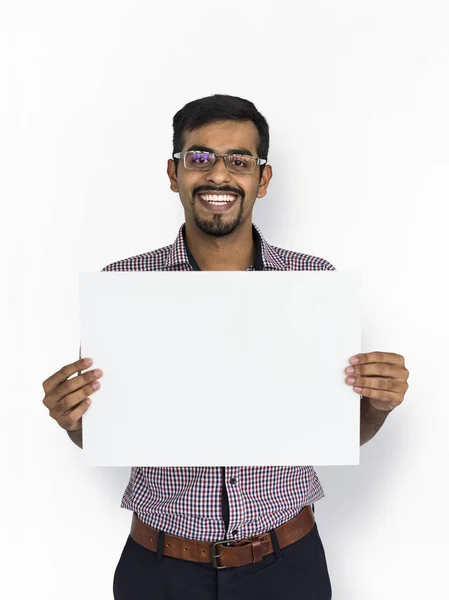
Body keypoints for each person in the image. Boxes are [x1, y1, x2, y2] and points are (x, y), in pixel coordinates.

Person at [42, 95, 410, 600]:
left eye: (239, 160)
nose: (219, 175)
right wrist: (74, 420)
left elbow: (338, 432)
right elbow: (108, 433)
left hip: (287, 565)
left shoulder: (313, 284)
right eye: (199, 158)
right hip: (160, 567)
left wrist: (379, 405)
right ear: (174, 174)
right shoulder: (123, 288)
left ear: (263, 178)